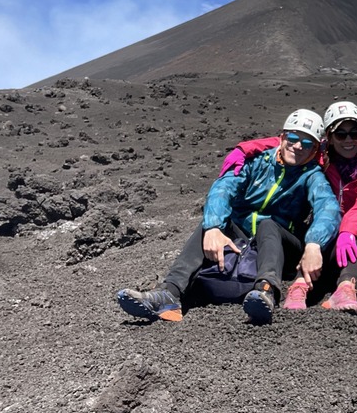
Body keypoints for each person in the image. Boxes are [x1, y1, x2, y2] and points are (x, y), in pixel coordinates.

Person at [116, 109, 340, 325]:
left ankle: (265, 291)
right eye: (293, 138)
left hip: (281, 245)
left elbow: (328, 208)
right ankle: (169, 293)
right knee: (208, 225)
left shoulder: (312, 176)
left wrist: (313, 244)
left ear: (315, 149)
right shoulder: (257, 162)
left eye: (308, 143)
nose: (298, 146)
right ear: (282, 137)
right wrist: (214, 227)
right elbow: (223, 188)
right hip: (242, 233)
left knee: (269, 224)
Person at [218, 101, 357, 315]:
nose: (348, 140)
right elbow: (290, 141)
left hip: (355, 246)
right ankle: (298, 287)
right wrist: (243, 149)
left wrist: (347, 230)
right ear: (330, 138)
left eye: (355, 133)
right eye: (341, 134)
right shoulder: (321, 155)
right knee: (316, 233)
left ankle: (345, 289)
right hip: (326, 239)